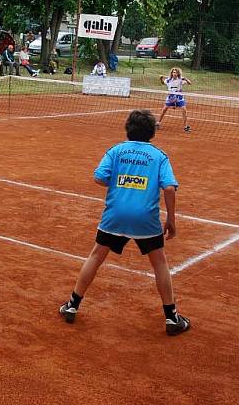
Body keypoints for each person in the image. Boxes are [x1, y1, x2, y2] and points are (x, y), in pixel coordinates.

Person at [58, 109, 190, 336]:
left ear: (127, 129)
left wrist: (122, 182)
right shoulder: (159, 156)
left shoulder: (116, 151)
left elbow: (99, 177)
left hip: (115, 215)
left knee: (97, 256)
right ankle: (171, 318)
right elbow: (169, 187)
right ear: (152, 133)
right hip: (146, 219)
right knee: (159, 263)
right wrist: (171, 218)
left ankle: (72, 305)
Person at [157, 67, 192, 132]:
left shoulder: (180, 80)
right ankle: (158, 123)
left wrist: (186, 79)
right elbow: (163, 83)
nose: (174, 73)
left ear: (178, 73)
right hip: (170, 96)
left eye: (175, 72)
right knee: (164, 109)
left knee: (184, 109)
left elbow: (190, 83)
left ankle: (185, 126)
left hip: (179, 97)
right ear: (172, 73)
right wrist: (161, 79)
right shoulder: (168, 80)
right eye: (173, 72)